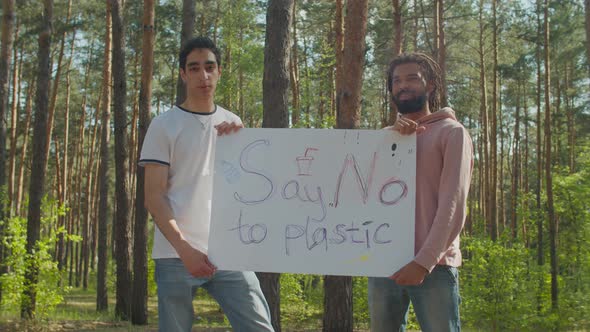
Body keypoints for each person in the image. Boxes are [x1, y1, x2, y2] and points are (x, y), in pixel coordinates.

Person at [139, 36, 274, 332]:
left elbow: (248, 190)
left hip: (228, 251)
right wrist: (185, 249)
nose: (204, 76)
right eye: (195, 68)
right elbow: (154, 197)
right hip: (175, 255)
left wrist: (243, 143)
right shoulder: (164, 125)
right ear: (183, 74)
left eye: (210, 67)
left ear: (220, 71)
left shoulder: (233, 123)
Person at [368, 52, 473, 332]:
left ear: (430, 85)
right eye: (396, 80)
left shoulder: (452, 133)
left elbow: (453, 204)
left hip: (434, 267)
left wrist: (423, 262)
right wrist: (389, 137)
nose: (403, 85)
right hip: (384, 264)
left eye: (412, 78)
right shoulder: (385, 138)